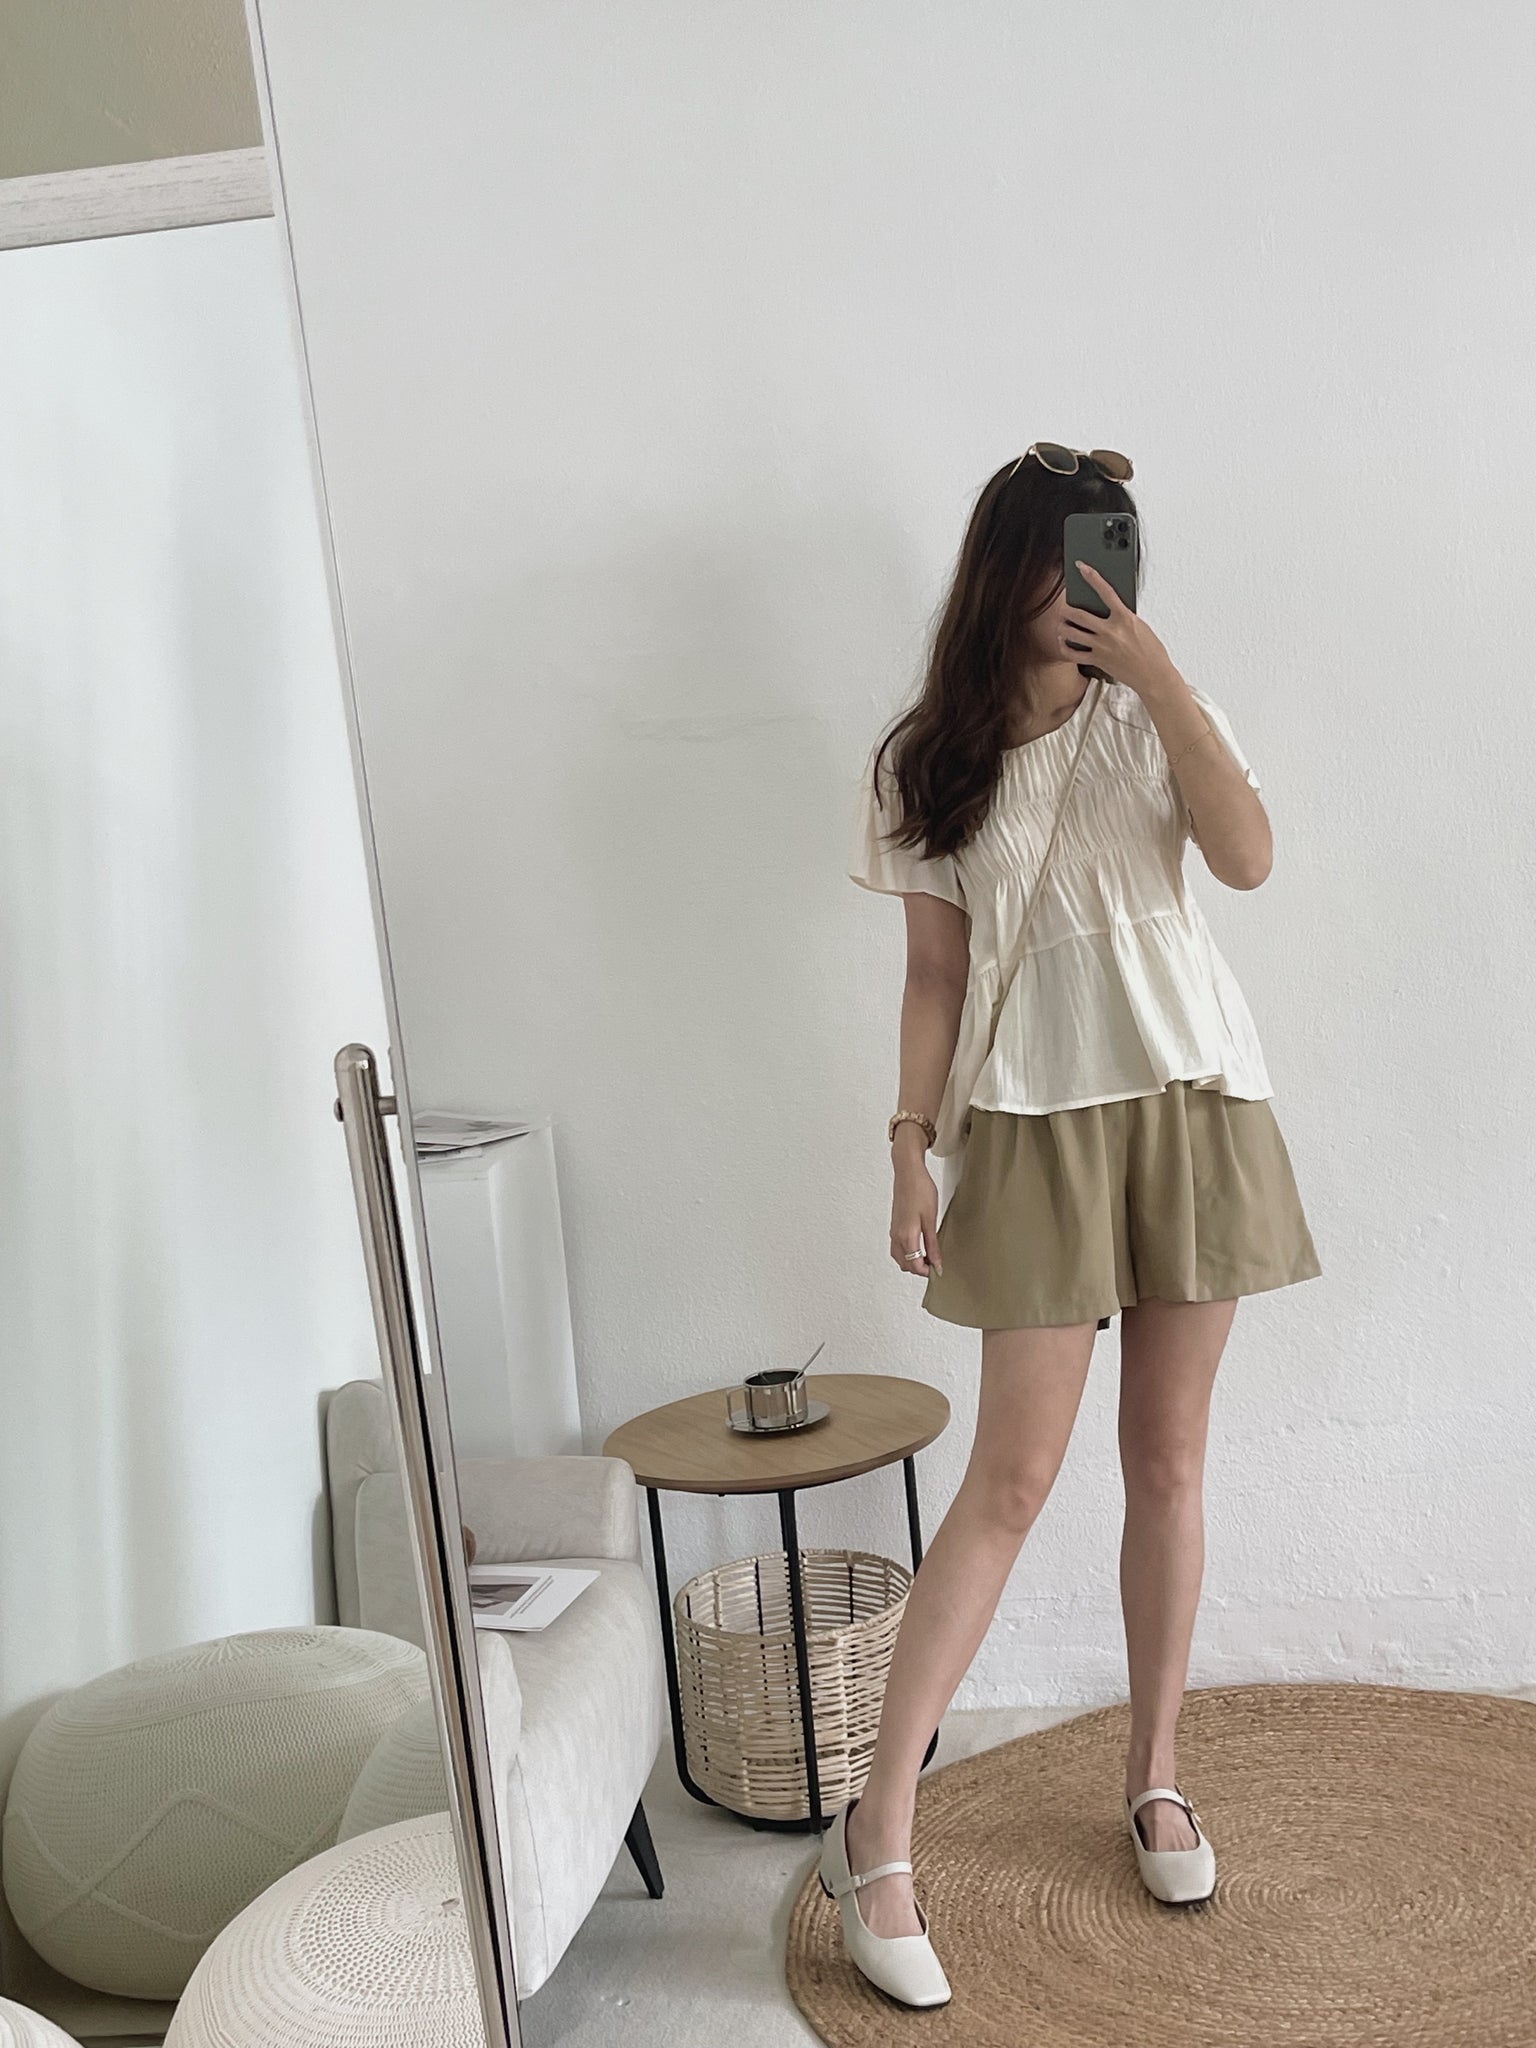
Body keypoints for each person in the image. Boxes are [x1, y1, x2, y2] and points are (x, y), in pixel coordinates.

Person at [826, 443, 1322, 2007]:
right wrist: (908, 1149)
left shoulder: (1157, 706)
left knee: (1168, 1461)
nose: (1089, 583)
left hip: (1190, 1096)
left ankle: (1156, 1775)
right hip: (1033, 1120)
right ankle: (880, 1832)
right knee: (1013, 1480)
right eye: (1063, 557)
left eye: (1111, 551)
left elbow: (1246, 859)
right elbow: (933, 978)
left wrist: (1158, 679)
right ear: (1008, 568)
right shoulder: (928, 758)